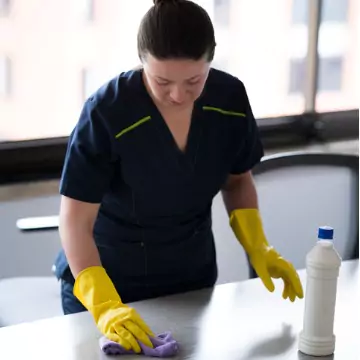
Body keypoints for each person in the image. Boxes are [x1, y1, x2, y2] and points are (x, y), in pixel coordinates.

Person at [54, 0, 304, 354]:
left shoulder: (228, 100)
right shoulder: (108, 112)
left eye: (193, 81)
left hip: (190, 282)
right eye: (162, 81)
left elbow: (237, 180)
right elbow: (75, 221)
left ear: (210, 61)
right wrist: (104, 304)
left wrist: (258, 245)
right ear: (142, 60)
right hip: (110, 282)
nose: (177, 94)